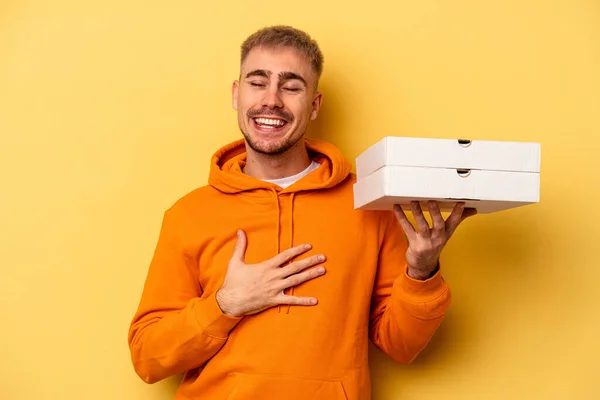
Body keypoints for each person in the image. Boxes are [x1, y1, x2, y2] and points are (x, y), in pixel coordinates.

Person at [127, 25, 476, 400]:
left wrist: (422, 270)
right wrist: (226, 304)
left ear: (314, 105)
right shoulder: (189, 213)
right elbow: (148, 358)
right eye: (258, 83)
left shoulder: (369, 202)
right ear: (236, 94)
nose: (272, 100)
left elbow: (401, 346)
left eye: (291, 86)